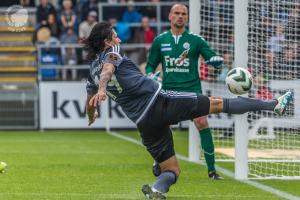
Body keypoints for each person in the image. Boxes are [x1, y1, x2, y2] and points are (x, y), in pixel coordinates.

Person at [84, 22, 293, 199]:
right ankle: (274, 105)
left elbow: (89, 100)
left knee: (172, 170)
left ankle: (157, 188)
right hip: (160, 103)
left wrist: (92, 116)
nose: (118, 38)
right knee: (218, 103)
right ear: (107, 42)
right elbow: (108, 70)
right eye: (115, 35)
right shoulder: (111, 53)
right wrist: (103, 89)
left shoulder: (91, 71)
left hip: (143, 121)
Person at [145, 3, 224, 180]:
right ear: (170, 16)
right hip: (169, 91)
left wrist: (216, 61)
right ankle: (161, 160)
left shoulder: (196, 40)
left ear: (187, 18)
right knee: (163, 127)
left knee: (202, 122)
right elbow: (150, 64)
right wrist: (150, 74)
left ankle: (212, 171)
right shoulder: (160, 40)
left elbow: (211, 57)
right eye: (177, 13)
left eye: (183, 14)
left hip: (192, 89)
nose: (180, 16)